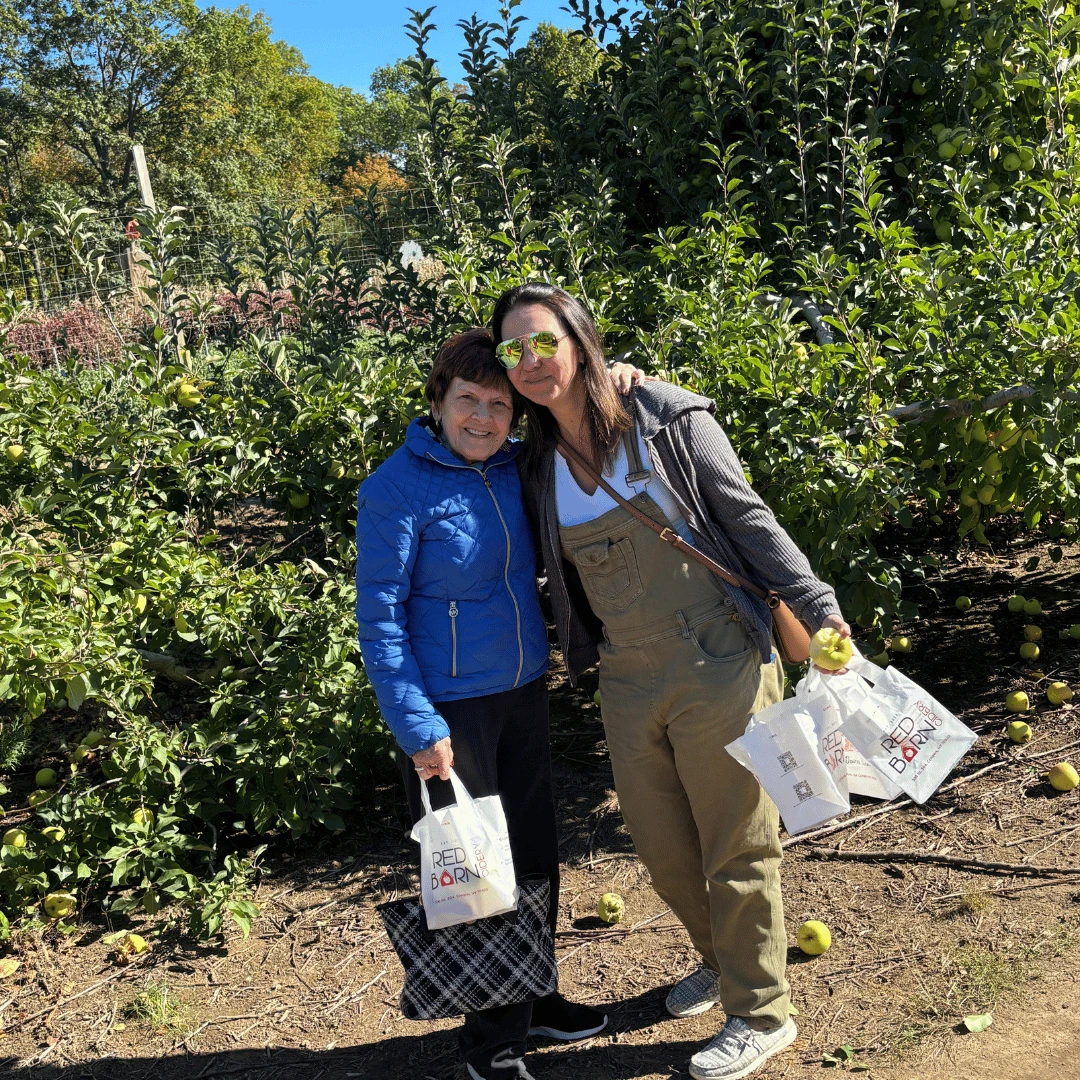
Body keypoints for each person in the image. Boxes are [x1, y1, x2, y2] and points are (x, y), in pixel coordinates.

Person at [493, 283, 851, 1080]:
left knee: (737, 843)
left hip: (717, 651)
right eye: (513, 349)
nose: (529, 361)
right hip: (625, 671)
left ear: (580, 341)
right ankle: (723, 961)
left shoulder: (661, 416)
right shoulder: (536, 463)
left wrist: (816, 606)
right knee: (661, 848)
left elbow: (748, 516)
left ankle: (762, 1012)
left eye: (544, 341)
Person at [355, 329, 640, 1080]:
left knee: (534, 852)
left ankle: (534, 995)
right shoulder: (395, 489)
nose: (483, 418)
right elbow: (379, 619)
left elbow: (584, 421)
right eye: (468, 401)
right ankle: (493, 1040)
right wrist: (417, 724)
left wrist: (620, 380)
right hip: (449, 711)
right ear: (438, 401)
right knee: (474, 869)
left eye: (499, 405)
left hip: (521, 690)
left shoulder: (520, 465)